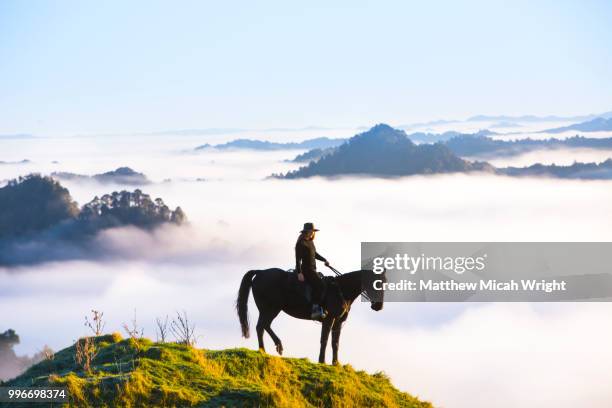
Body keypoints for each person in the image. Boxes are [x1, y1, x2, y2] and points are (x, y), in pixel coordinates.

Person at [295, 222, 330, 320]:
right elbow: (298, 260)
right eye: (311, 231)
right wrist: (299, 273)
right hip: (306, 270)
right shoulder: (300, 243)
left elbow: (315, 254)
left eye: (313, 231)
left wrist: (324, 260)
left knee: (322, 284)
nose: (312, 233)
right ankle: (315, 309)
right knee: (321, 285)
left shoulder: (310, 242)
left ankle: (320, 307)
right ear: (306, 231)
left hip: (313, 269)